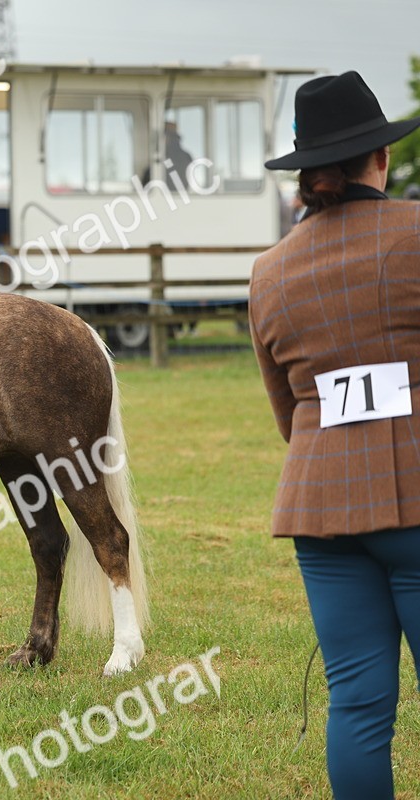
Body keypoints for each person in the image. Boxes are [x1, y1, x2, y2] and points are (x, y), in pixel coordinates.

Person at [250, 71, 420, 800]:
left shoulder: (268, 271)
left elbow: (288, 413)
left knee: (356, 704)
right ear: (377, 158)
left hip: (321, 510)